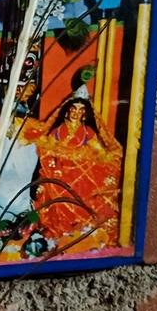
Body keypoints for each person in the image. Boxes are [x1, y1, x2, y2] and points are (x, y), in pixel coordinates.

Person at [34, 93, 122, 251]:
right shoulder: (58, 131)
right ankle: (59, 230)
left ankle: (82, 228)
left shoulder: (88, 132)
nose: (76, 113)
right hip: (61, 172)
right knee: (53, 188)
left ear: (85, 115)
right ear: (67, 111)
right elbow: (48, 150)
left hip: (82, 175)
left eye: (81, 110)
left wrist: (101, 159)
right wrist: (54, 165)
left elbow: (99, 151)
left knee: (92, 188)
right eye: (74, 109)